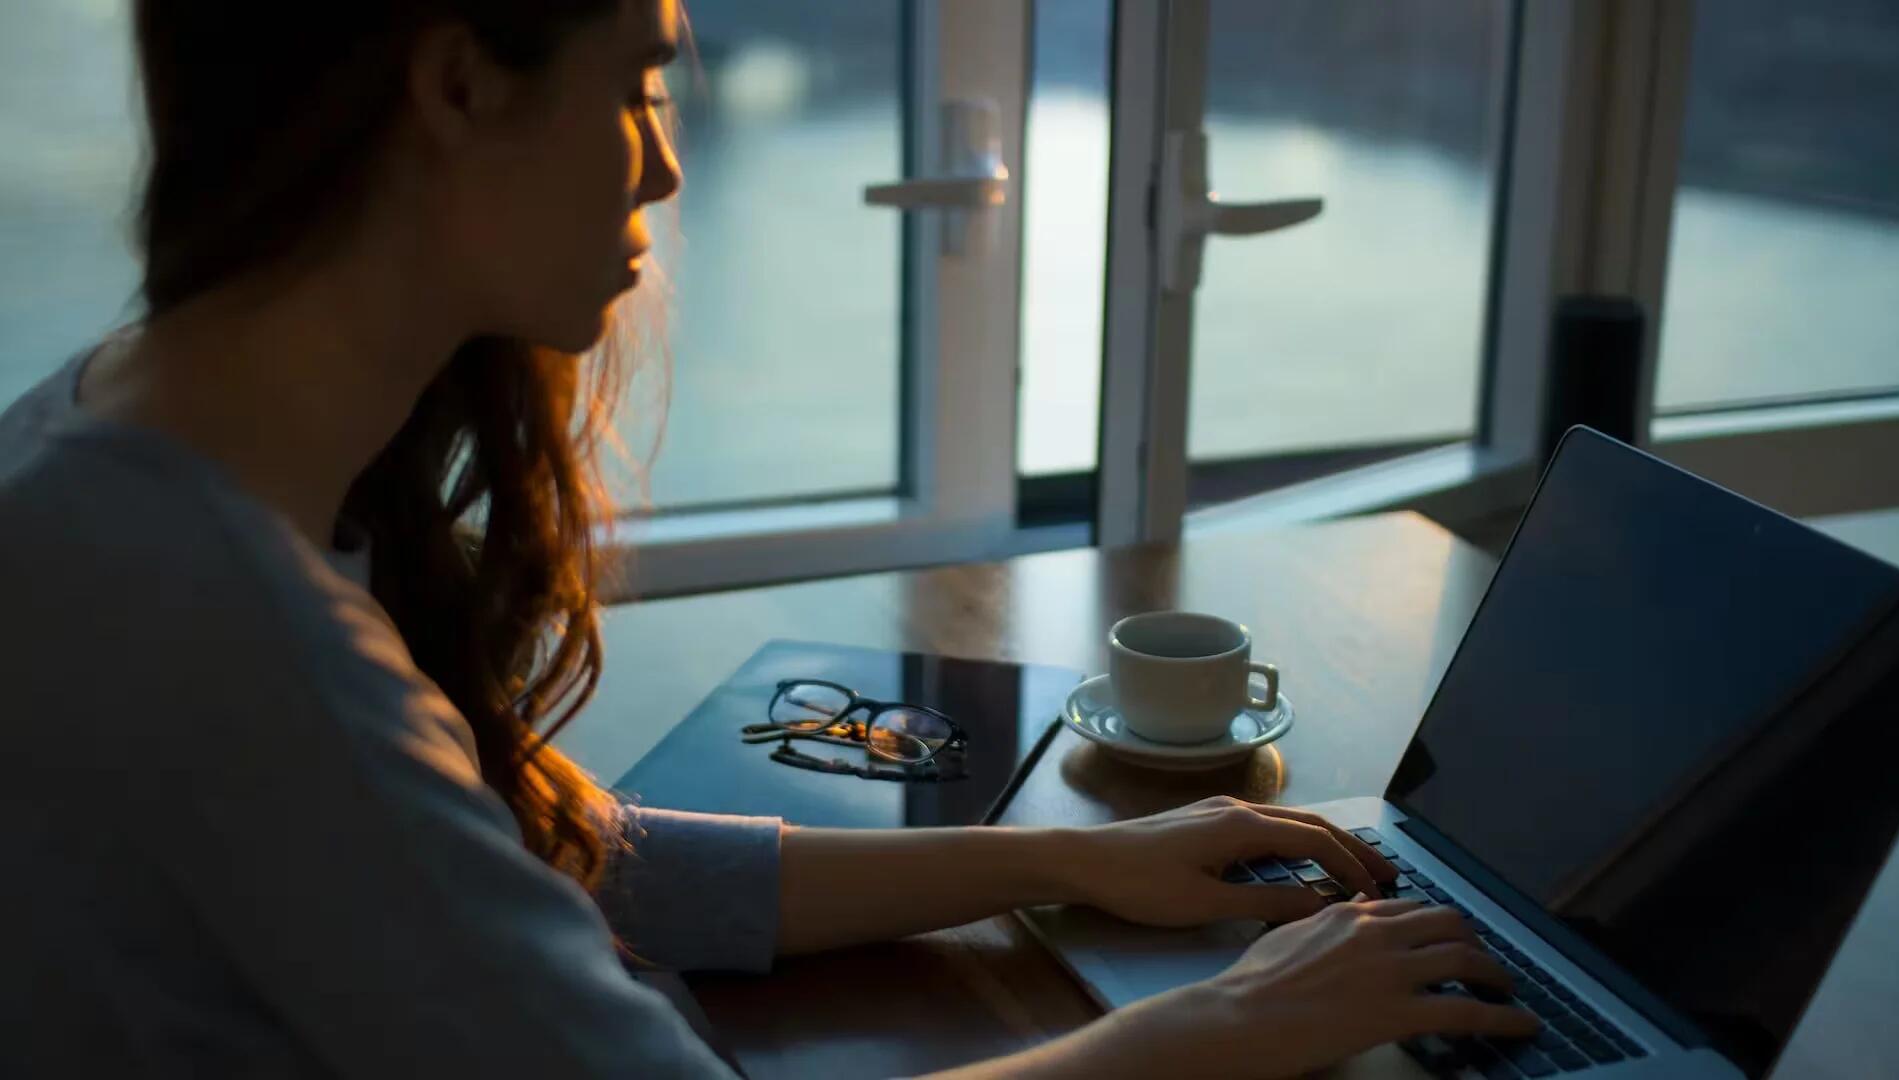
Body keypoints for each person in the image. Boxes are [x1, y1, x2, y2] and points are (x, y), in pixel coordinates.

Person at [0, 0, 1537, 1075]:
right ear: (458, 83)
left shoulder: (108, 435)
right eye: (639, 81)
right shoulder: (237, 638)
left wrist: (1077, 859)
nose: (665, 163)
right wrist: (1216, 1033)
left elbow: (555, 864)